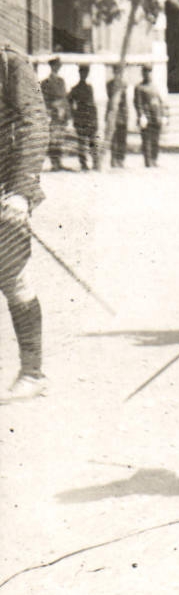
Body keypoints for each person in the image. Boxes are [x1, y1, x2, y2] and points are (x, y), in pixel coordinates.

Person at [2, 41, 49, 401]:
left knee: (12, 277)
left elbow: (35, 125)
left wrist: (20, 191)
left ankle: (32, 373)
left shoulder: (10, 62)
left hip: (6, 190)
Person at [38, 58, 70, 173]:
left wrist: (66, 113)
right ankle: (54, 163)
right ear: (51, 66)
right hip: (52, 114)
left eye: (58, 66)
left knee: (60, 139)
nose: (57, 67)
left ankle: (59, 162)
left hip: (61, 114)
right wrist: (50, 110)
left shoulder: (61, 81)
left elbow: (64, 98)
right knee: (53, 139)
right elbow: (44, 99)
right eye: (55, 65)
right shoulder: (45, 82)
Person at [133, 66, 169, 168]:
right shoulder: (139, 87)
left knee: (155, 140)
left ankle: (154, 159)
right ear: (142, 73)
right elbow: (138, 103)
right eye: (145, 72)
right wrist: (141, 116)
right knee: (146, 140)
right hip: (146, 118)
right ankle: (148, 161)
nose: (148, 74)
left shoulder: (155, 86)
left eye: (149, 72)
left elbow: (161, 102)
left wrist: (164, 115)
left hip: (156, 117)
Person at [67, 65, 99, 171]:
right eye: (82, 73)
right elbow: (69, 103)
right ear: (79, 73)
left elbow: (93, 103)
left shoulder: (90, 88)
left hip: (90, 118)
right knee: (82, 143)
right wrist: (74, 115)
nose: (84, 75)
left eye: (86, 73)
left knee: (93, 141)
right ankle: (83, 164)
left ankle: (95, 163)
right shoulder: (75, 89)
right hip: (81, 118)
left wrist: (95, 119)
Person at [104, 66, 131, 168]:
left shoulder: (124, 84)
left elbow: (125, 101)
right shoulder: (110, 84)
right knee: (114, 137)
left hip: (122, 114)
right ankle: (114, 159)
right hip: (113, 112)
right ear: (113, 72)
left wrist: (127, 114)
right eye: (116, 71)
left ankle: (121, 159)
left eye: (120, 72)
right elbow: (111, 99)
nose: (118, 74)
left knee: (122, 138)